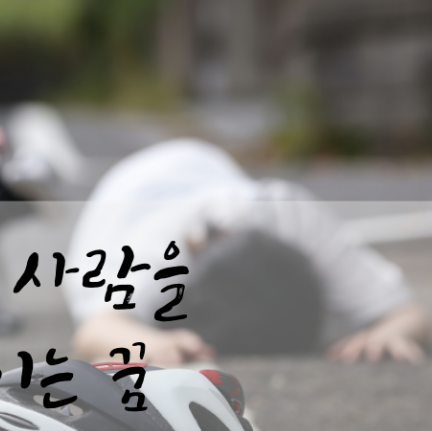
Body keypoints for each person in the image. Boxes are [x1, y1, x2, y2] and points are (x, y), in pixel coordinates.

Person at [65, 139, 429, 366]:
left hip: (205, 164)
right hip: (122, 195)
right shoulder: (155, 247)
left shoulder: (289, 213)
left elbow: (411, 314)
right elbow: (93, 331)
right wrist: (153, 341)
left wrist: (390, 332)